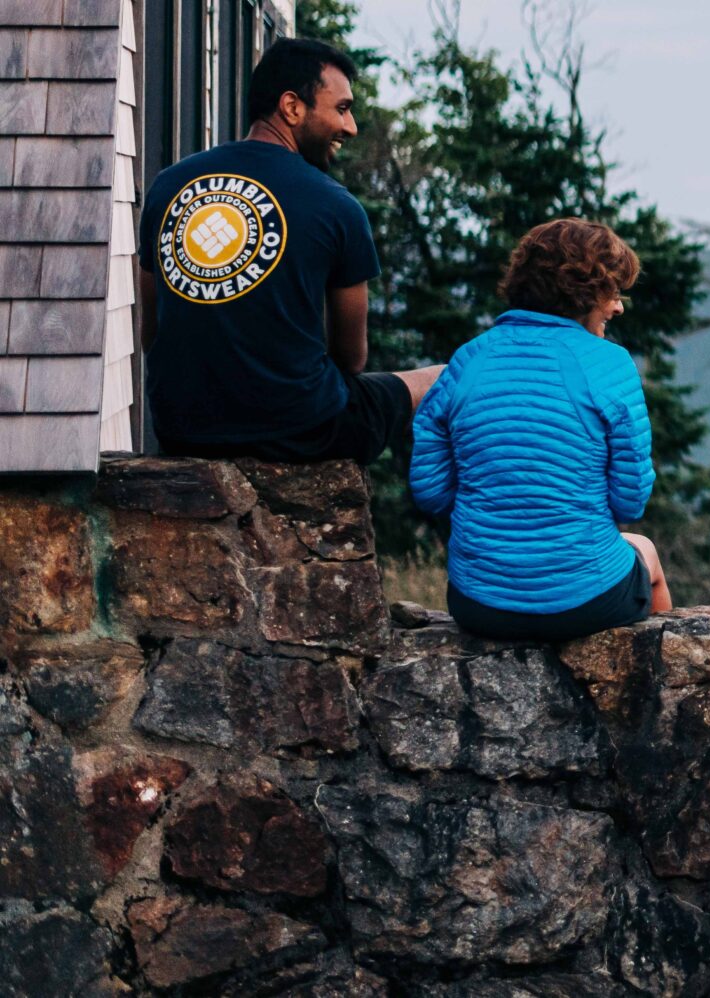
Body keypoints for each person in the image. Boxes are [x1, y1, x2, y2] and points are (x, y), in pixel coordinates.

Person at [139, 38, 442, 464]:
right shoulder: (336, 205)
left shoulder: (168, 186)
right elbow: (351, 359)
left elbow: (151, 332)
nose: (351, 126)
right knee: (444, 378)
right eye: (341, 108)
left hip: (181, 430)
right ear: (292, 107)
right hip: (300, 432)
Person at [408, 219, 670, 642]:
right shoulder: (611, 364)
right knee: (647, 554)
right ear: (584, 293)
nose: (618, 306)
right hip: (588, 599)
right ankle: (660, 684)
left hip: (479, 605)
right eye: (613, 292)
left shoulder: (467, 361)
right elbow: (630, 500)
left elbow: (431, 493)